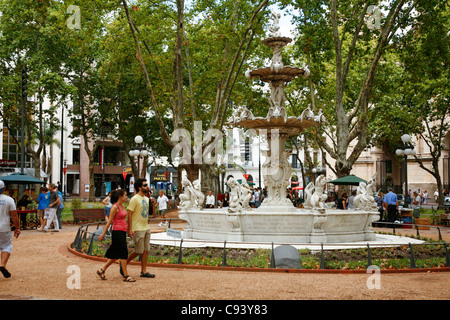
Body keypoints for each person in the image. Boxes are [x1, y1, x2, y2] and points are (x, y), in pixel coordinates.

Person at [97, 189, 136, 282]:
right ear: (120, 197)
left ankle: (101, 270)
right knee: (123, 253)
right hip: (117, 232)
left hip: (122, 232)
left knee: (115, 255)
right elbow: (109, 221)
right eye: (125, 195)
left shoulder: (122, 206)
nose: (127, 197)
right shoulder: (115, 207)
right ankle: (126, 275)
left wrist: (129, 230)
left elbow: (123, 219)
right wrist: (103, 234)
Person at [125, 179, 155, 278]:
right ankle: (124, 263)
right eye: (145, 185)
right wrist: (130, 229)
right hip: (137, 228)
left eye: (147, 185)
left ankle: (143, 271)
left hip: (146, 227)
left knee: (146, 250)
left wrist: (153, 204)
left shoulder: (146, 199)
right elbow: (130, 214)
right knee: (138, 251)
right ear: (139, 187)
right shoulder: (134, 199)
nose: (147, 186)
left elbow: (152, 215)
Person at [0, 180, 20, 278]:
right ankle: (2, 264)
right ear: (4, 189)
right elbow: (14, 215)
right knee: (6, 246)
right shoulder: (9, 200)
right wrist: (17, 228)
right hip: (4, 228)